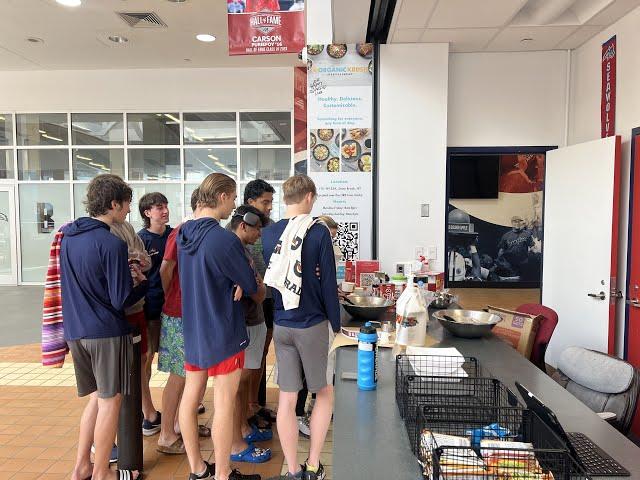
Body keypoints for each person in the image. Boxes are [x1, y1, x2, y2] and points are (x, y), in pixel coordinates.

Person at [61, 174, 146, 480]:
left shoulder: (68, 237)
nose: (127, 212)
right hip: (107, 333)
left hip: (76, 332)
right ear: (113, 204)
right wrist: (141, 283)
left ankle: (82, 465)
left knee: (97, 398)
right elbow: (121, 298)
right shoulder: (111, 243)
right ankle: (101, 473)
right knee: (111, 402)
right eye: (126, 206)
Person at [178, 173, 259, 480]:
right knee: (224, 403)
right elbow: (250, 283)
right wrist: (240, 280)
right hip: (223, 329)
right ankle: (223, 474)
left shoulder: (183, 234)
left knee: (191, 397)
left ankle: (198, 469)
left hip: (194, 328)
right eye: (234, 197)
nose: (235, 204)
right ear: (223, 196)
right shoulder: (224, 239)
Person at [262, 175, 340, 480]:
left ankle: (292, 470)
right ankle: (312, 465)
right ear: (308, 197)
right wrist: (337, 325)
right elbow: (328, 284)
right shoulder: (318, 232)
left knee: (287, 397)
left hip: (282, 323)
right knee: (323, 392)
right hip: (312, 324)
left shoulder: (270, 234)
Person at [156, 188, 211, 455]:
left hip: (195, 314)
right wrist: (173, 297)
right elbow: (165, 269)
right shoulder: (181, 231)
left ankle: (181, 423)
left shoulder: (204, 232)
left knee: (195, 374)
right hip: (179, 314)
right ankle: (166, 433)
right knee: (180, 375)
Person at [227, 205, 273, 464]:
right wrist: (257, 287)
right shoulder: (231, 249)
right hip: (241, 323)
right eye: (257, 229)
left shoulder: (242, 249)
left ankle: (243, 428)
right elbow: (256, 291)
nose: (260, 234)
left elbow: (257, 288)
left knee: (243, 383)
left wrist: (257, 287)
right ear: (243, 225)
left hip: (252, 319)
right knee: (236, 385)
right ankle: (235, 443)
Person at [295, 215, 341, 438]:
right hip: (310, 320)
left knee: (313, 370)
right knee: (306, 371)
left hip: (304, 320)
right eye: (329, 237)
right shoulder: (310, 248)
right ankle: (299, 414)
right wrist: (336, 324)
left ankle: (311, 409)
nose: (330, 242)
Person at [138, 192, 173, 435]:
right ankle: (147, 411)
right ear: (147, 213)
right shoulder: (140, 240)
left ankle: (178, 406)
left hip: (174, 308)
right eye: (158, 207)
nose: (164, 211)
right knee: (146, 359)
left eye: (165, 206)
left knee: (179, 360)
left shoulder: (175, 235)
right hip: (150, 309)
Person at [244, 179, 278, 427]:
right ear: (249, 203)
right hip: (248, 302)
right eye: (264, 202)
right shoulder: (239, 228)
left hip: (269, 298)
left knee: (262, 353)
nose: (269, 207)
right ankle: (245, 408)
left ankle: (255, 403)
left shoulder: (273, 228)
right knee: (247, 359)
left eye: (270, 202)